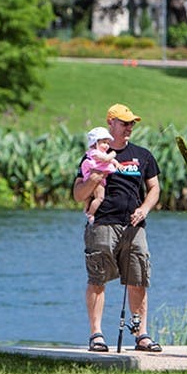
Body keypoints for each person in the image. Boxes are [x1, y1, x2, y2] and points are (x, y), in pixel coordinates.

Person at [73, 104, 162, 353]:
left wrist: (144, 209)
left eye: (132, 123)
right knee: (98, 279)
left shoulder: (143, 155)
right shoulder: (93, 156)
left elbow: (154, 188)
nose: (129, 127)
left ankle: (141, 334)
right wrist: (93, 179)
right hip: (103, 225)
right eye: (124, 123)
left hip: (135, 227)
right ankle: (96, 335)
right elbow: (78, 194)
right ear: (110, 123)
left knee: (138, 280)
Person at [80, 127, 123, 225]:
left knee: (89, 197)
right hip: (96, 179)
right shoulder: (94, 153)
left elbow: (111, 160)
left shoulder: (101, 152)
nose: (107, 146)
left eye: (108, 143)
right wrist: (113, 153)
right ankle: (91, 213)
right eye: (104, 142)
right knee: (100, 198)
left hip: (99, 178)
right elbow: (107, 159)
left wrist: (117, 164)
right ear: (95, 143)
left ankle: (86, 208)